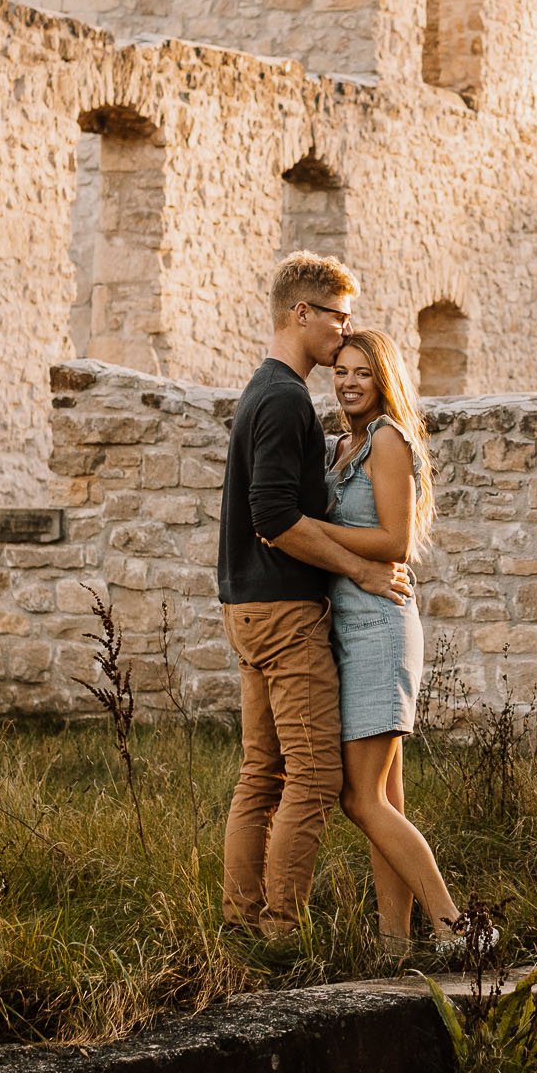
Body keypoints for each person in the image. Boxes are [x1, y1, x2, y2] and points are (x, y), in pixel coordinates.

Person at [217, 252, 410, 937]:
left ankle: (241, 927)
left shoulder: (266, 392)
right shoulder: (283, 397)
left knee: (261, 773)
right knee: (315, 777)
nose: (344, 330)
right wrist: (359, 571)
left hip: (246, 606)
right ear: (303, 313)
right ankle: (279, 931)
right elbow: (273, 518)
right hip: (282, 612)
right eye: (338, 316)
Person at [277, 327, 487, 954]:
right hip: (348, 625)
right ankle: (395, 943)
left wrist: (307, 527)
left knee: (358, 796)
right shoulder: (345, 442)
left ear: (383, 378)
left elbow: (395, 541)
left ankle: (458, 931)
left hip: (381, 625)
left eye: (362, 372)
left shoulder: (388, 440)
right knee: (385, 796)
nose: (348, 381)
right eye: (340, 370)